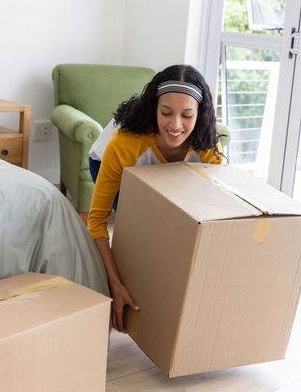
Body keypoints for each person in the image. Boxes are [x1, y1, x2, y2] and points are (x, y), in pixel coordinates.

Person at [87, 64, 225, 333]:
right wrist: (115, 284)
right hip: (111, 163)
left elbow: (214, 216)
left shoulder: (208, 147)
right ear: (154, 110)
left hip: (168, 170)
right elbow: (96, 222)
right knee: (140, 229)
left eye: (187, 115)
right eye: (166, 113)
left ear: (200, 115)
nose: (175, 125)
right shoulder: (123, 144)